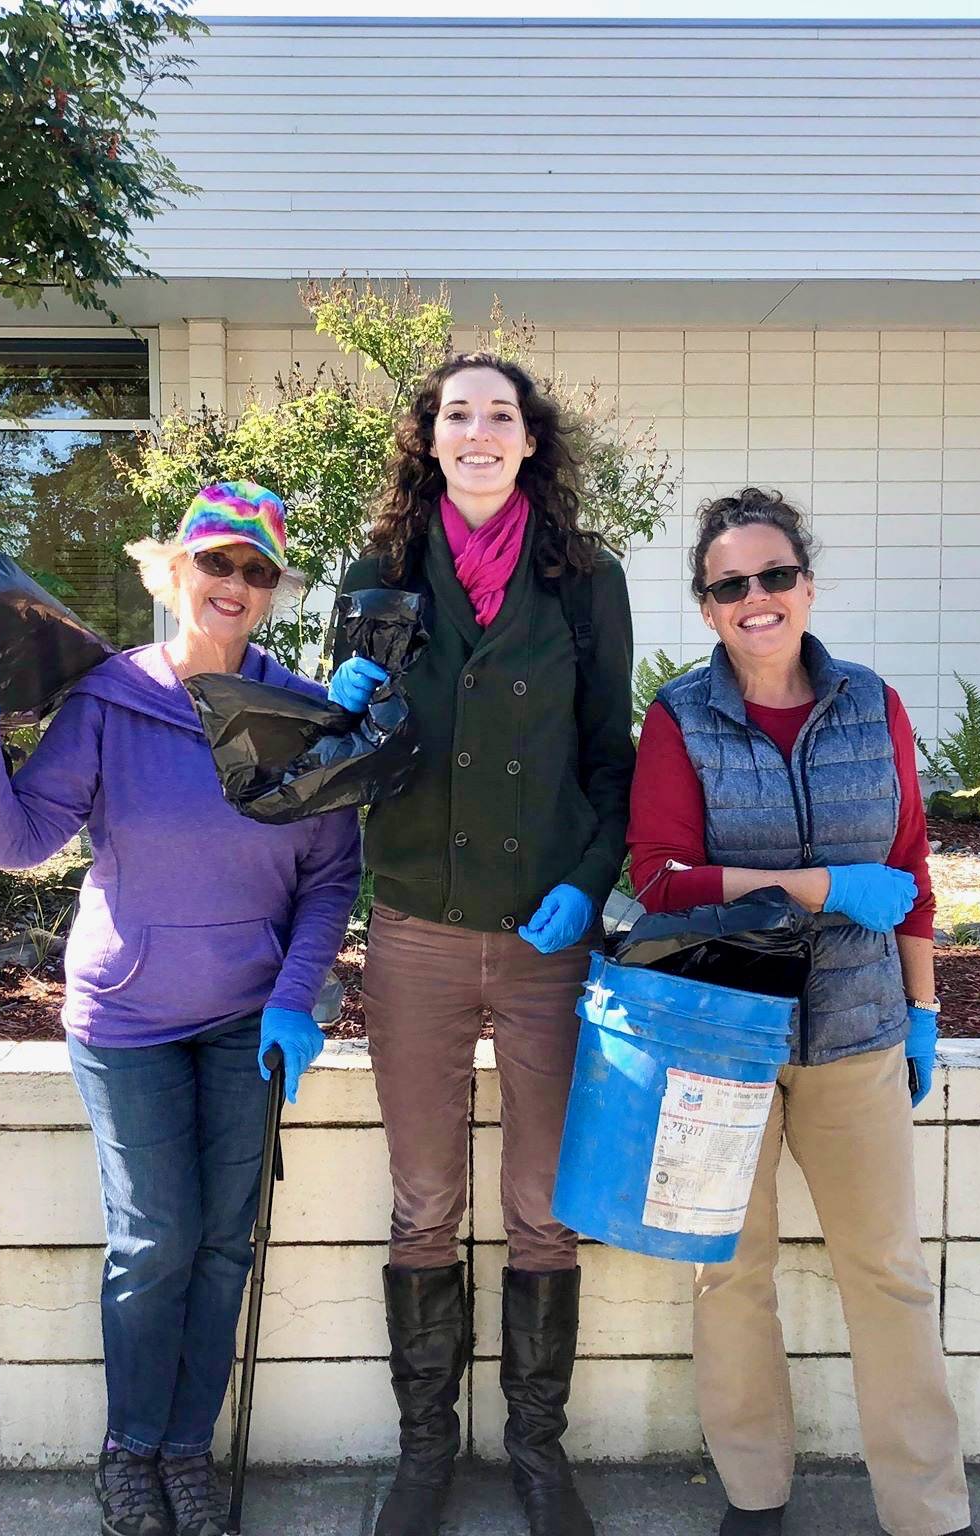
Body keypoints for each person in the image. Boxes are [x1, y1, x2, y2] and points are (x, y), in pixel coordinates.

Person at [0, 482, 361, 1536]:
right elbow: (16, 842)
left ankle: (186, 1452)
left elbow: (328, 876)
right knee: (155, 1240)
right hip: (126, 1017)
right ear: (172, 570)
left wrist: (293, 997)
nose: (232, 585)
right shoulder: (109, 700)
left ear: (271, 595)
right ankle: (129, 1448)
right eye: (216, 562)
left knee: (224, 1242)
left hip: (246, 1021)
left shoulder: (299, 716)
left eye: (255, 572)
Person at [326, 353, 635, 1536]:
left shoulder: (584, 579)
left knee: (544, 1204)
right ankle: (423, 1452)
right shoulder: (378, 571)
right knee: (423, 1201)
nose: (479, 431)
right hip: (415, 923)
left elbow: (611, 757)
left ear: (529, 441)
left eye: (499, 414)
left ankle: (536, 1453)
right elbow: (333, 757)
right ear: (429, 436)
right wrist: (339, 694)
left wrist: (585, 884)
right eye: (458, 413)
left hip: (546, 931)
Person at [626, 487, 972, 1536]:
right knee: (730, 1276)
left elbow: (908, 866)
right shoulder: (679, 718)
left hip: (856, 1031)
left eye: (774, 576)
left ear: (807, 586)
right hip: (721, 1033)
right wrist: (818, 886)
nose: (756, 598)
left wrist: (921, 1010)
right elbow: (658, 877)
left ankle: (926, 1510)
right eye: (731, 585)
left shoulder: (873, 705)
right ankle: (751, 1496)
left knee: (888, 1275)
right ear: (705, 606)